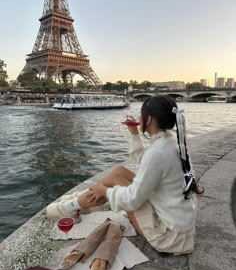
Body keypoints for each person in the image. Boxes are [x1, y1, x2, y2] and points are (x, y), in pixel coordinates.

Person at [47, 95, 203, 254]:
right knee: (120, 172)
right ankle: (79, 202)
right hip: (179, 225)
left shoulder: (158, 151)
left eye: (141, 115)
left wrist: (105, 191)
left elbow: (132, 200)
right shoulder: (172, 141)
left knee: (114, 181)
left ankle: (71, 206)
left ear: (148, 119)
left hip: (169, 237)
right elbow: (147, 162)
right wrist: (134, 133)